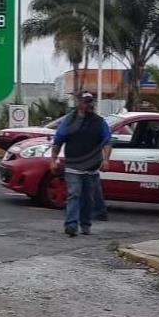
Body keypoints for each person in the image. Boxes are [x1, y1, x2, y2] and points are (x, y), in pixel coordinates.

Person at [50, 91, 112, 237]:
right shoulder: (69, 121)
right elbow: (58, 141)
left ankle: (85, 225)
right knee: (74, 194)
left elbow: (107, 142)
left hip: (91, 169)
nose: (89, 104)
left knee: (88, 199)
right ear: (79, 103)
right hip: (73, 166)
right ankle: (71, 225)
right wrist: (53, 160)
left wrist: (106, 159)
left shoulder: (99, 122)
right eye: (86, 102)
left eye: (91, 102)